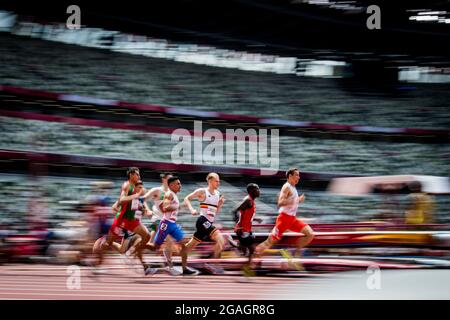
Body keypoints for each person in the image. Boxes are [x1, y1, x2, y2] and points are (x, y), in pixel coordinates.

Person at [255, 168, 314, 267]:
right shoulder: (286, 187)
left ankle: (296, 256)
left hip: (292, 219)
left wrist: (297, 200)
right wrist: (297, 200)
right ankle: (252, 260)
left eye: (299, 175)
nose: (299, 177)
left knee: (310, 234)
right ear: (290, 176)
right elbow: (280, 203)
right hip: (283, 219)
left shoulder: (293, 187)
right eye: (296, 175)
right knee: (269, 242)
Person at [98, 167, 152, 274]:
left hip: (132, 221)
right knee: (107, 243)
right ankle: (98, 264)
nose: (139, 176)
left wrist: (144, 209)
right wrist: (136, 195)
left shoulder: (137, 188)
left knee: (147, 236)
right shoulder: (127, 185)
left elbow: (135, 204)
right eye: (137, 174)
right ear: (131, 175)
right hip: (122, 221)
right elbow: (122, 200)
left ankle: (133, 255)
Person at [146, 176, 198, 276]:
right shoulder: (169, 194)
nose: (180, 185)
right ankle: (137, 247)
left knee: (184, 244)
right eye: (178, 184)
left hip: (173, 224)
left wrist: (180, 207)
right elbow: (165, 208)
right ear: (171, 185)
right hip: (165, 224)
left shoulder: (174, 195)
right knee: (154, 247)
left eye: (180, 183)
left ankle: (184, 268)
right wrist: (176, 206)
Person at [183, 173, 226, 274]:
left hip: (208, 223)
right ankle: (214, 264)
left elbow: (215, 212)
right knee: (220, 238)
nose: (218, 183)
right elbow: (186, 198)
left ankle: (178, 263)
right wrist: (192, 209)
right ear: (210, 181)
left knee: (189, 246)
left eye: (219, 181)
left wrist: (219, 205)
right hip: (202, 221)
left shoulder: (218, 194)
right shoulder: (202, 192)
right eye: (216, 181)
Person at [142, 173, 176, 272]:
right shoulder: (156, 190)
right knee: (165, 240)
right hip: (157, 218)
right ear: (164, 179)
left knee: (167, 242)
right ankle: (169, 264)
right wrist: (147, 210)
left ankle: (169, 264)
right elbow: (142, 199)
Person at [232, 183, 262, 276]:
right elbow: (235, 210)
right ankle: (236, 245)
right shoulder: (248, 201)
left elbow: (246, 214)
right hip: (243, 230)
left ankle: (237, 246)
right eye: (257, 189)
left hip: (247, 229)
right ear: (251, 191)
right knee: (252, 250)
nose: (259, 191)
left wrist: (255, 219)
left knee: (249, 250)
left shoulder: (251, 201)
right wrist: (238, 225)